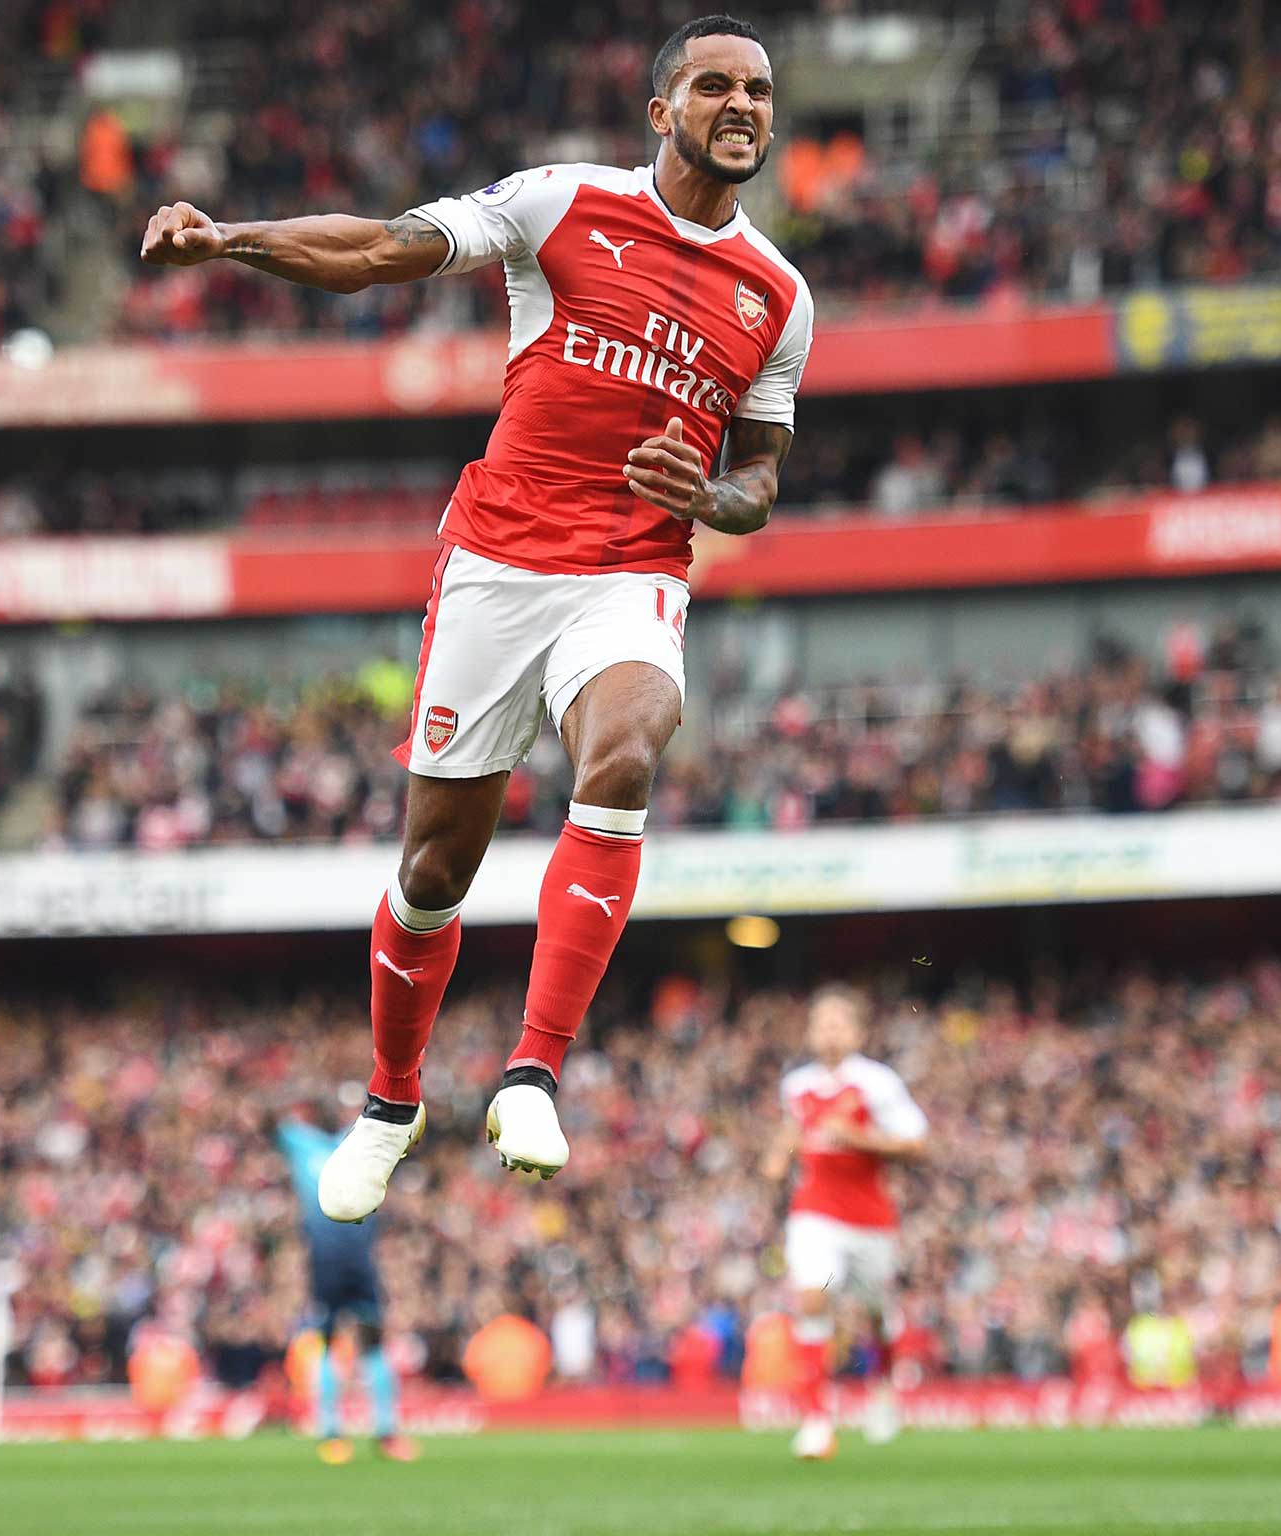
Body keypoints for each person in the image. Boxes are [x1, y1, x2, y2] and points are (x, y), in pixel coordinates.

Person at [140, 15, 812, 1218]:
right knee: (433, 868)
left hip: (633, 570)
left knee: (627, 746)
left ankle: (531, 1072)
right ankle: (392, 1100)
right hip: (498, 565)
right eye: (713, 85)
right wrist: (232, 240)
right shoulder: (560, 204)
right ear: (661, 112)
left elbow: (758, 478)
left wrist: (708, 494)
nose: (742, 105)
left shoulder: (779, 295)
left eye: (757, 89)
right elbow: (378, 251)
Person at [760, 986, 926, 1460]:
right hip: (815, 1210)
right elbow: (794, 1131)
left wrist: (856, 1137)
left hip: (870, 1217)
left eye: (838, 1022)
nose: (829, 1030)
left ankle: (883, 1387)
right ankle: (816, 1419)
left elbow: (916, 1143)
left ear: (856, 1031)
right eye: (822, 1022)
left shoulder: (878, 1083)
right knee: (812, 1295)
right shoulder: (797, 1084)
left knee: (876, 1314)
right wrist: (777, 1156)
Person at [275, 1111, 418, 1463]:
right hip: (353, 1252)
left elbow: (270, 1122)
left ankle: (339, 1434)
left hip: (329, 1257)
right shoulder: (357, 1135)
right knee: (360, 1342)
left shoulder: (301, 1141)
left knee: (334, 1342)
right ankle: (374, 1433)